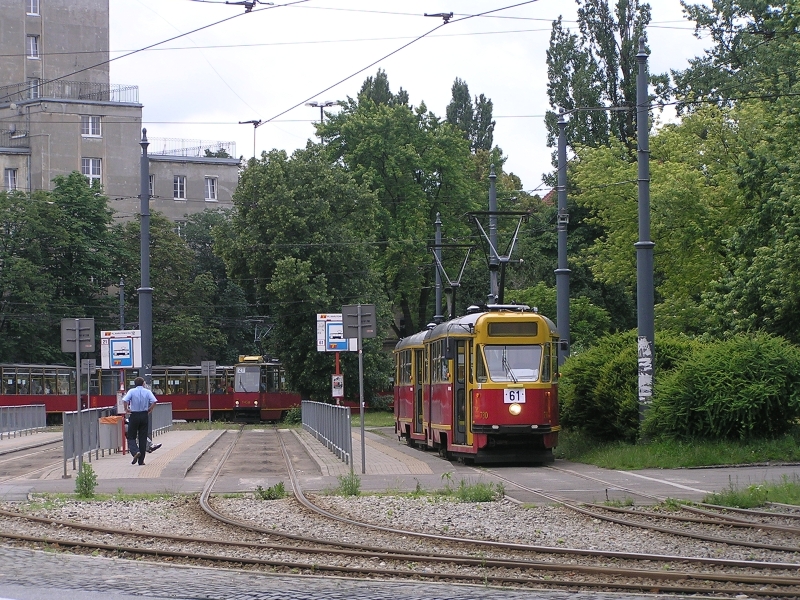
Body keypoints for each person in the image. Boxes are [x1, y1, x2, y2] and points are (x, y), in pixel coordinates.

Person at [122, 377, 157, 466]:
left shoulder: (131, 391)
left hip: (134, 415)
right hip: (144, 415)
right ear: (143, 383)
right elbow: (154, 401)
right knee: (143, 438)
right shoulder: (147, 391)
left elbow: (125, 400)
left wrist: (126, 409)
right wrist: (150, 409)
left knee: (131, 436)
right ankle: (141, 461)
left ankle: (135, 452)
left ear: (135, 383)